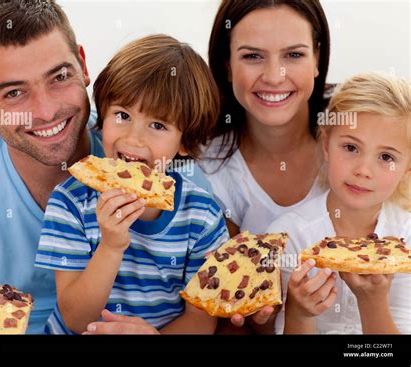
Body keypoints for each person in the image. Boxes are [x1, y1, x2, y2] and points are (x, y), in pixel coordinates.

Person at [34, 35, 230, 334]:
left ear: (186, 142)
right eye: (122, 115)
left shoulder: (201, 216)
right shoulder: (70, 203)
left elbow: (202, 321)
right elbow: (75, 318)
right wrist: (111, 246)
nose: (133, 138)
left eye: (158, 125)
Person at [0, 0, 104, 333]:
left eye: (59, 76)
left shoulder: (151, 160)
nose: (44, 111)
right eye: (14, 92)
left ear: (83, 65)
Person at [201, 0, 331, 332]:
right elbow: (230, 318)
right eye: (252, 56)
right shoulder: (206, 169)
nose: (274, 76)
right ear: (227, 65)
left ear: (317, 58)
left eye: (294, 55)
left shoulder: (358, 140)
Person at [268, 72, 411, 334]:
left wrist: (373, 303)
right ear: (326, 145)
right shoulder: (291, 235)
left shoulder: (406, 241)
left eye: (386, 156)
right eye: (351, 148)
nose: (364, 170)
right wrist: (299, 315)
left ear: (408, 169)